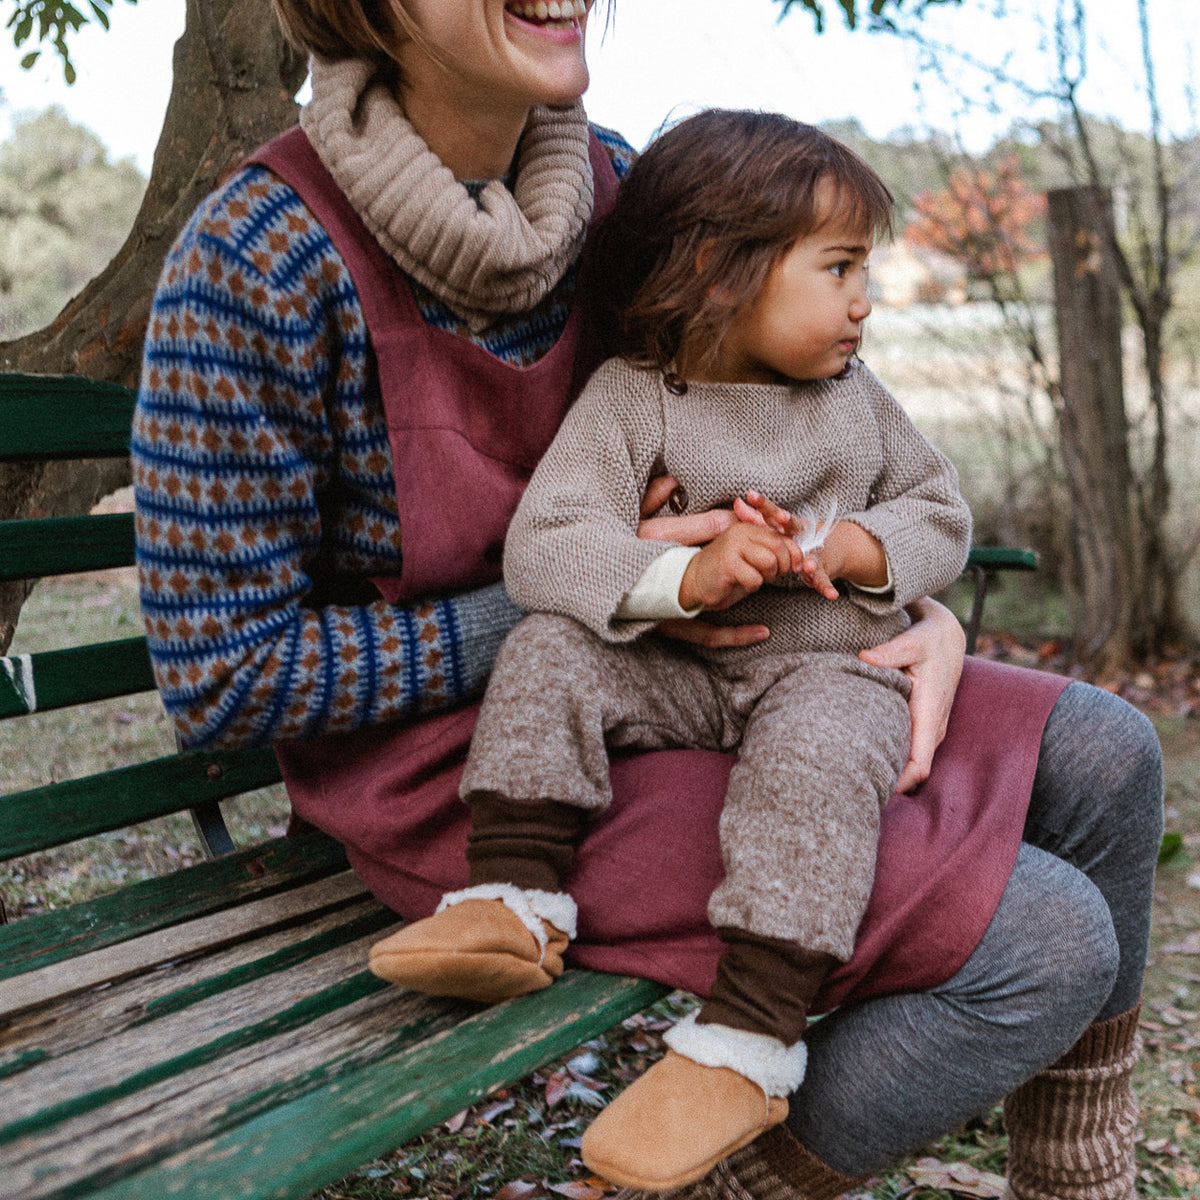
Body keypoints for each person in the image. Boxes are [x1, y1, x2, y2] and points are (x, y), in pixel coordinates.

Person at [129, 1, 1162, 1197]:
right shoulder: (255, 263)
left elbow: (815, 416)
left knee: (1109, 753)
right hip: (477, 766)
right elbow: (224, 681)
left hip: (738, 651)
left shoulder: (621, 190)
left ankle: (1081, 1171)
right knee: (1045, 940)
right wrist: (619, 588)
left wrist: (897, 598)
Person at [366, 110, 974, 1191]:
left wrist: (862, 547)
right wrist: (679, 579)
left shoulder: (858, 404)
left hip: (827, 669)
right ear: (719, 269)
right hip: (681, 672)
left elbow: (941, 510)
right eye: (838, 269)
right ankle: (513, 897)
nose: (864, 301)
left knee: (823, 754)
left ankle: (749, 1032)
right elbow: (547, 547)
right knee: (551, 648)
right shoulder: (634, 398)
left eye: (863, 270)